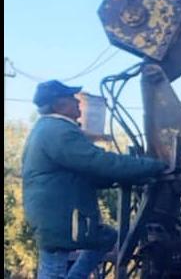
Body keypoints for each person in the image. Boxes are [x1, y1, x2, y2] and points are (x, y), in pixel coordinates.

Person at [22, 79, 168, 279]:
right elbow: (98, 162)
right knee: (54, 268)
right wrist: (154, 166)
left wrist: (126, 177)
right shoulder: (58, 130)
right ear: (58, 105)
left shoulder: (46, 129)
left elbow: (85, 171)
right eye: (72, 98)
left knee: (105, 238)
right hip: (59, 216)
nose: (77, 102)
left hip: (53, 214)